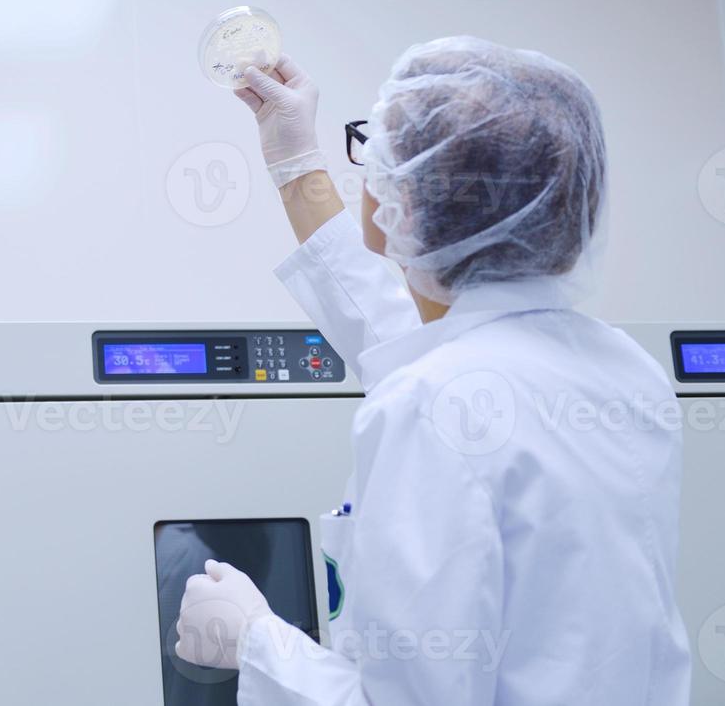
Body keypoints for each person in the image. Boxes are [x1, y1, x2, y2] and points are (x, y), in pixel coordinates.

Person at [173, 37, 691, 705]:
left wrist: (253, 641)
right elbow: (403, 334)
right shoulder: (625, 372)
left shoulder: (433, 401)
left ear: (406, 205)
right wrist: (292, 158)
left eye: (376, 156)